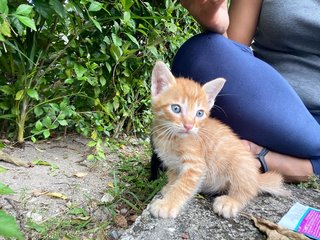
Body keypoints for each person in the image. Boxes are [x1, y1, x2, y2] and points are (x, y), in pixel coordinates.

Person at [167, 0, 320, 183]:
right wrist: (218, 26)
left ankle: (278, 161)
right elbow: (231, 54)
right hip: (264, 111)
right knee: (199, 54)